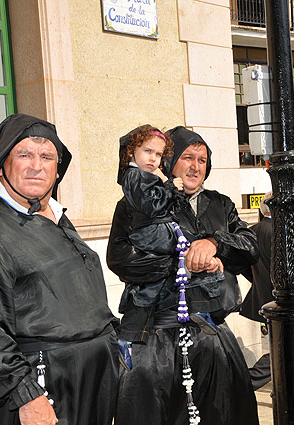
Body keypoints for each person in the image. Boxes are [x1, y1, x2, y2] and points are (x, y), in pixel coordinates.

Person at [0, 114, 120, 425]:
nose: (36, 166)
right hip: (39, 388)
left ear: (57, 169)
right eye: (24, 154)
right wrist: (26, 396)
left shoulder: (56, 216)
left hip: (90, 382)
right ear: (1, 164)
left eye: (46, 157)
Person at [107, 126, 260, 425]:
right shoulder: (137, 204)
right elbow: (119, 259)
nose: (195, 166)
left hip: (210, 333)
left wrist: (216, 243)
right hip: (155, 336)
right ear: (169, 161)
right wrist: (182, 263)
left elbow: (250, 247)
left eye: (202, 160)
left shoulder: (221, 204)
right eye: (188, 157)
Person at [112, 125, 203, 361]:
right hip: (151, 234)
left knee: (193, 254)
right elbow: (152, 206)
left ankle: (202, 310)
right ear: (131, 152)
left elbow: (169, 204)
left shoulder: (148, 177)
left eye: (159, 154)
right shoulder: (133, 176)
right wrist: (169, 186)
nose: (153, 158)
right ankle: (128, 336)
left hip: (160, 229)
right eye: (147, 151)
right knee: (181, 259)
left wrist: (169, 186)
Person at [240, 192, 273, 390]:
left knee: (279, 346)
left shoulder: (252, 232)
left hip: (262, 295)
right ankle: (245, 382)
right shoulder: (278, 232)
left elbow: (242, 265)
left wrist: (256, 279)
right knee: (282, 349)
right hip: (280, 299)